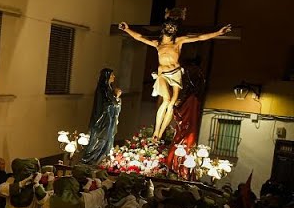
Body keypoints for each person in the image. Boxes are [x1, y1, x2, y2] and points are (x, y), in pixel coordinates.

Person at [119, 8, 232, 140]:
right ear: (165, 30)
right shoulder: (157, 44)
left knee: (172, 102)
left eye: (173, 30)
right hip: (162, 74)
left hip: (176, 74)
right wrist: (126, 29)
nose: (172, 32)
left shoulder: (178, 42)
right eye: (170, 30)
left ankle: (160, 133)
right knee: (166, 100)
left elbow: (199, 38)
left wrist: (218, 33)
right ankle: (156, 131)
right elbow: (140, 37)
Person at [80, 68, 122, 165]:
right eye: (112, 75)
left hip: (109, 119)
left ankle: (101, 158)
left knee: (107, 140)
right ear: (107, 76)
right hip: (103, 120)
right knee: (100, 140)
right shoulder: (103, 89)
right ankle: (92, 159)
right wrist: (117, 97)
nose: (114, 76)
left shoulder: (109, 88)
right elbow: (109, 103)